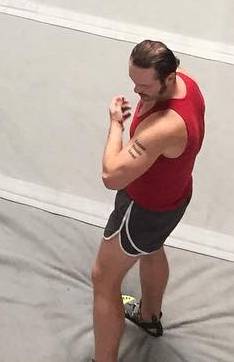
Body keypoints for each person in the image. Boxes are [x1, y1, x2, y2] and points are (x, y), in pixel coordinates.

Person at [90, 40, 205, 362]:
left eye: (144, 87)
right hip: (175, 196)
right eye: (134, 84)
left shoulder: (164, 127)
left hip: (143, 210)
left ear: (168, 77)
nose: (138, 93)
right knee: (151, 249)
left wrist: (116, 124)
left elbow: (112, 176)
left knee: (103, 279)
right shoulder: (188, 84)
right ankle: (150, 315)